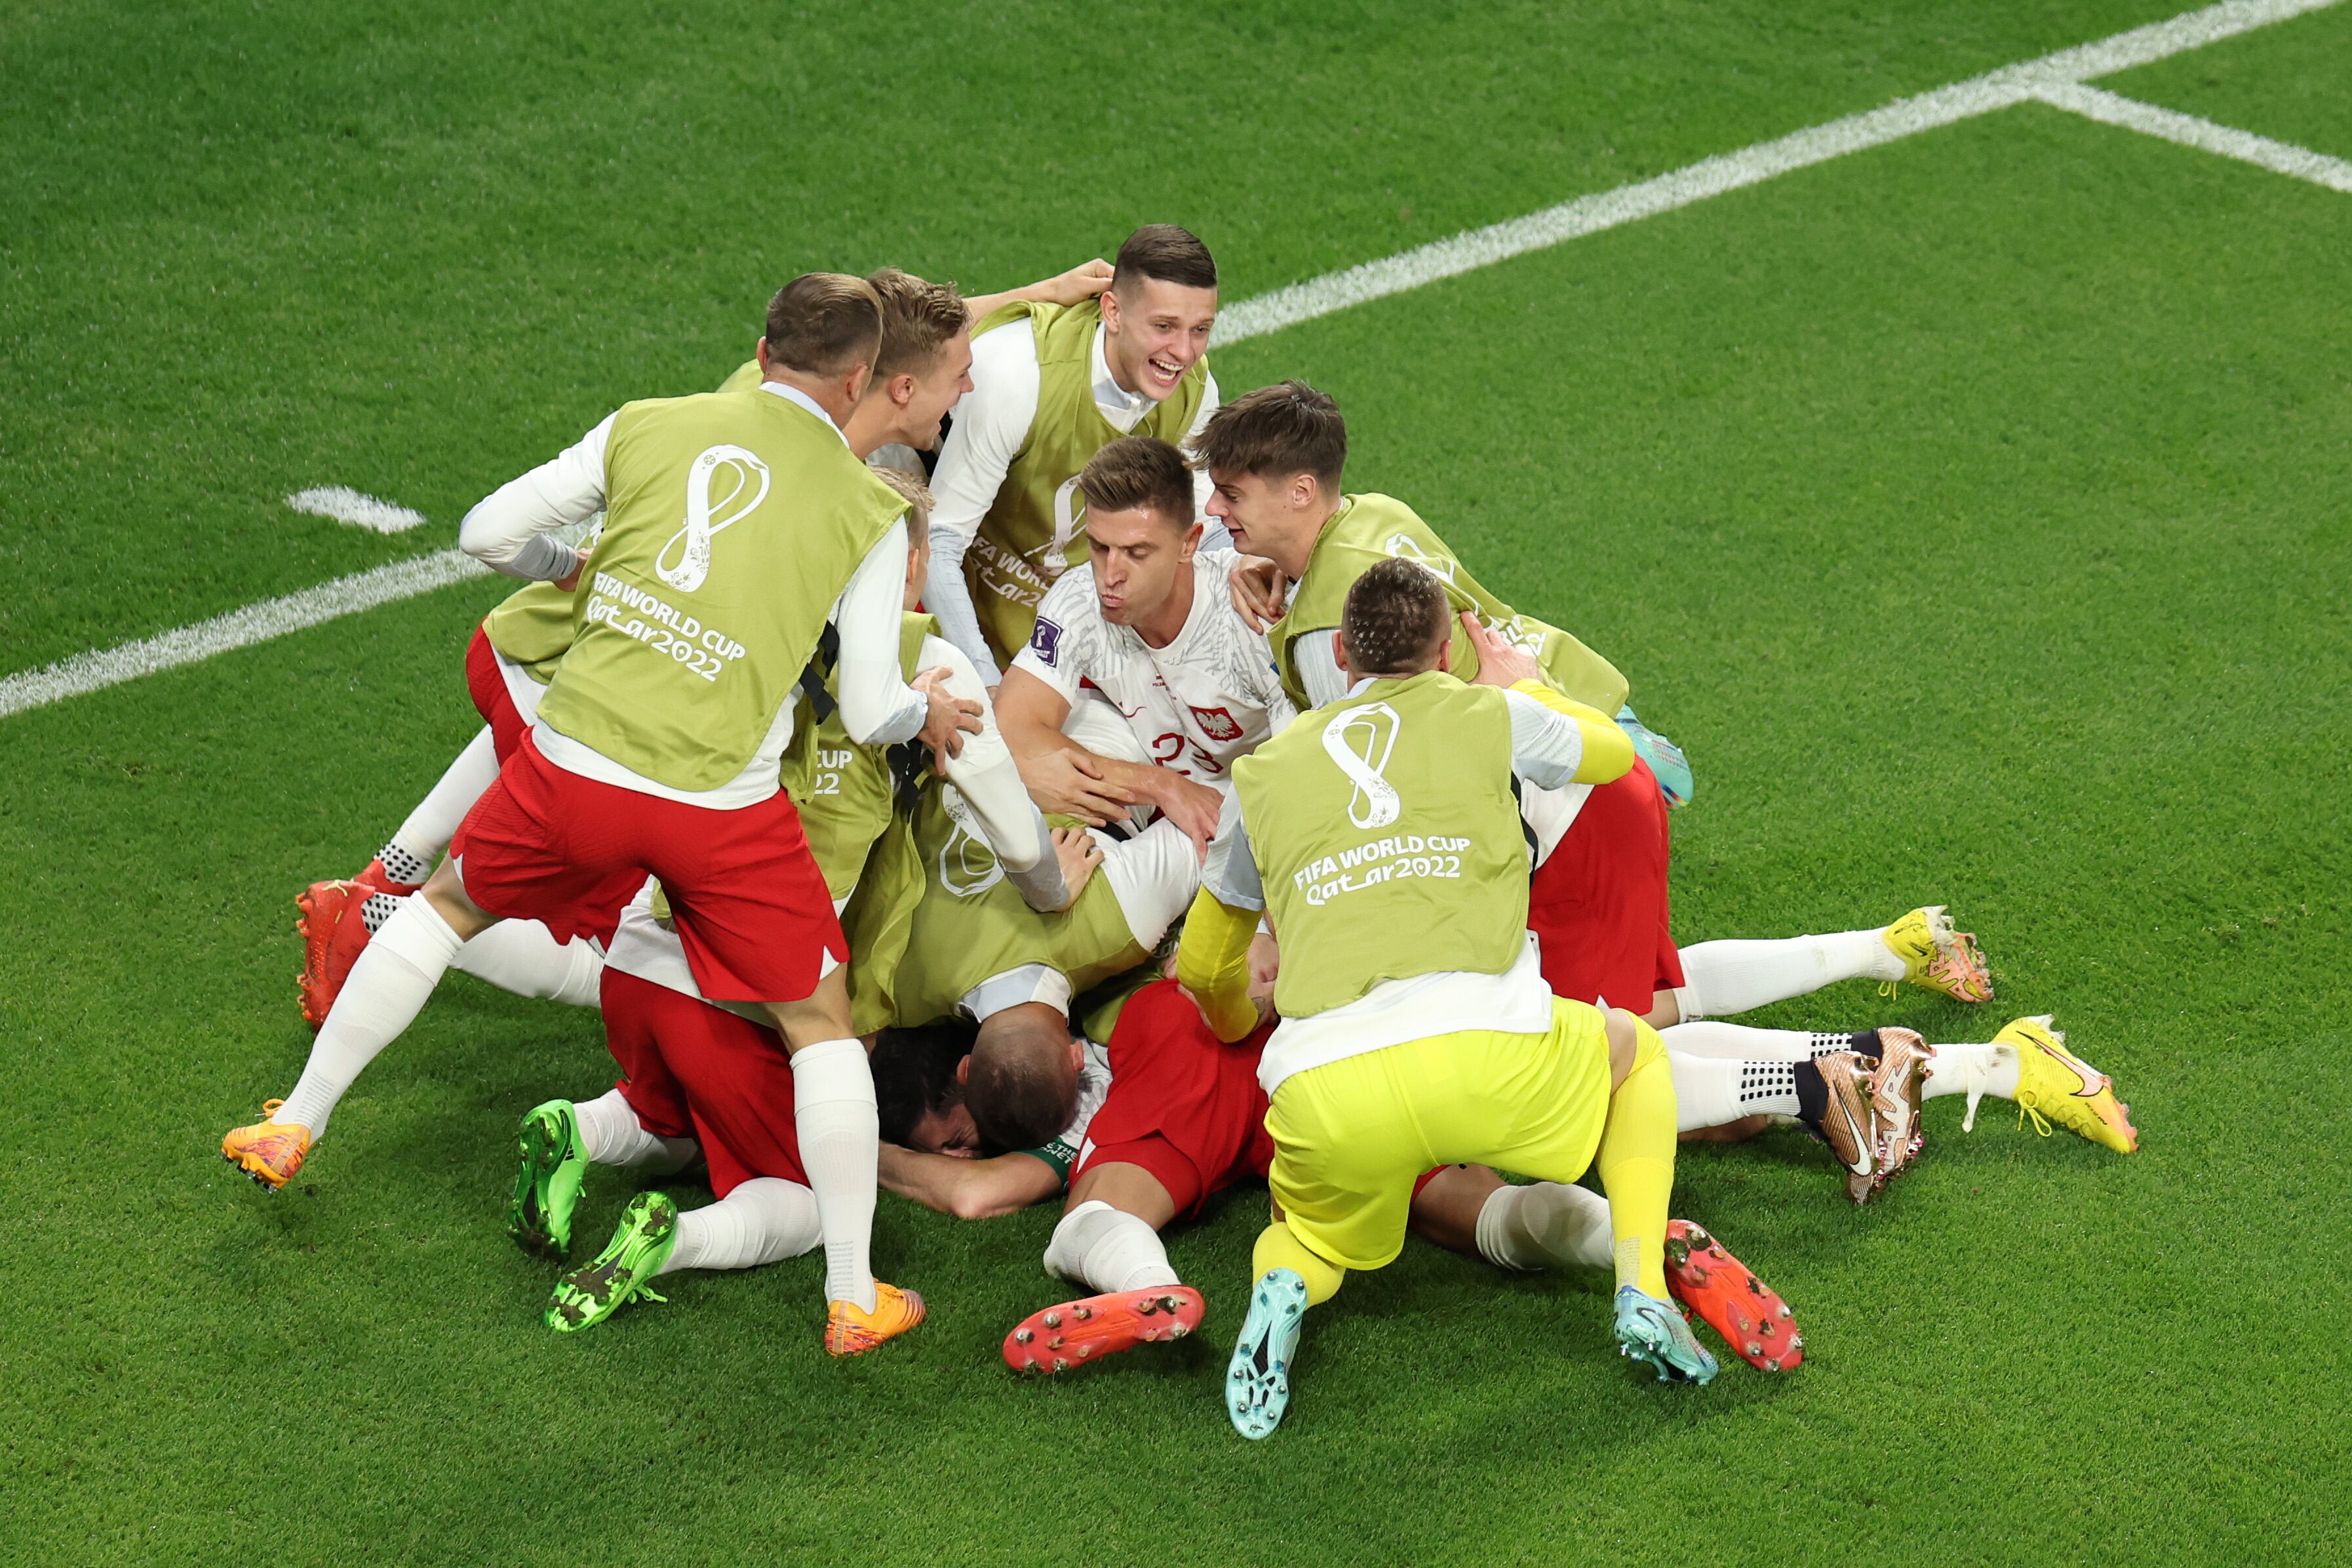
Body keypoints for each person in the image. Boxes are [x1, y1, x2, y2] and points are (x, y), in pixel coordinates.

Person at [224, 273, 970, 1355]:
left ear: (760, 349)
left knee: (437, 910)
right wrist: (922, 712)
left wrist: (565, 565)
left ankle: (296, 1118)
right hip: (718, 806)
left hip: (576, 763)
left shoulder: (648, 426)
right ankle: (854, 1294)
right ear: (859, 378)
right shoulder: (866, 509)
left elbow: (487, 532)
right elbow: (865, 703)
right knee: (819, 1022)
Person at [293, 262, 1118, 1025]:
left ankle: (377, 887)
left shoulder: (792, 390)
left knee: (602, 918)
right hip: (585, 673)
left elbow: (908, 325)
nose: (971, 385)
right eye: (957, 374)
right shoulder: (837, 475)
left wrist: (1041, 290)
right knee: (623, 951)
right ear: (888, 384)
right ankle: (377, 915)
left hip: (553, 651)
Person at [1176, 557, 1714, 1440]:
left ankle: (1282, 1290)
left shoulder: (1262, 775)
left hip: (1328, 1086)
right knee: (1637, 1054)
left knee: (1307, 1235)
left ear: (1342, 653)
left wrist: (1243, 1023)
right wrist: (1534, 684)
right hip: (1491, 1055)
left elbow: (1203, 966)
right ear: (1440, 655)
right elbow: (1618, 755)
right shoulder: (1489, 713)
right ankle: (1642, 1292)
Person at [925, 225, 1223, 680]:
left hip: (1072, 632)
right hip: (957, 619)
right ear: (1113, 312)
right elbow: (939, 543)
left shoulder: (1195, 395)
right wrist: (987, 689)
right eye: (1163, 327)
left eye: (1200, 330)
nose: (1183, 353)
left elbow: (1199, 532)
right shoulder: (1017, 376)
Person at [993, 435, 1295, 850]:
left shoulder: (1252, 613)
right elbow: (1013, 727)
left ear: (1189, 543)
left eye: (1137, 553)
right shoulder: (1078, 598)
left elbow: (1303, 774)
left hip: (1245, 803)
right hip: (1146, 771)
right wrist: (1162, 787)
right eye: (1099, 547)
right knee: (1017, 783)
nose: (1110, 575)